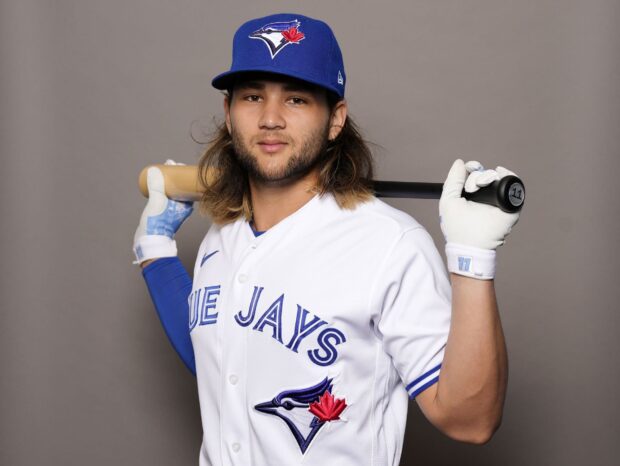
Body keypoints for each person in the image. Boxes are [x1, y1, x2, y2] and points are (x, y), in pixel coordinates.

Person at [132, 13, 520, 466]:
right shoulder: (223, 237)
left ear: (335, 119)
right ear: (228, 113)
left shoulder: (389, 245)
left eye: (296, 100)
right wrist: (156, 252)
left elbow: (470, 420)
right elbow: (224, 368)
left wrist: (472, 258)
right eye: (252, 96)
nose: (270, 119)